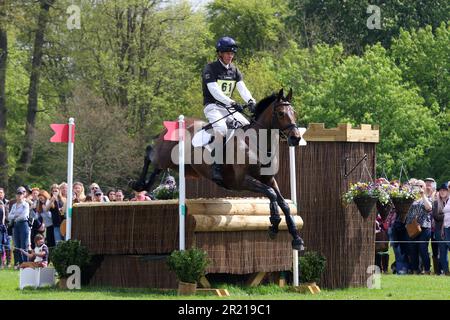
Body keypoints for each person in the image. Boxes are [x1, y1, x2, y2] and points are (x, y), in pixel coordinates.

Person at [202, 36, 256, 185]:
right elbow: (215, 91)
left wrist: (251, 101)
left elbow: (242, 89)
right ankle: (216, 165)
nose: (230, 56)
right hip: (212, 106)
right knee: (221, 129)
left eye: (232, 53)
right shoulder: (210, 68)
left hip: (228, 108)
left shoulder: (235, 70)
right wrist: (232, 102)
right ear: (220, 53)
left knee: (246, 125)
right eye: (227, 53)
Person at [405, 179, 433, 274]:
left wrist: (422, 195)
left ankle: (427, 269)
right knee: (412, 249)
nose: (420, 187)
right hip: (412, 228)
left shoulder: (426, 198)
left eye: (421, 186)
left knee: (422, 248)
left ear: (425, 188)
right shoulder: (410, 198)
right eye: (417, 186)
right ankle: (415, 270)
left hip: (424, 228)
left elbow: (429, 208)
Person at [8, 186, 31, 268]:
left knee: (24, 245)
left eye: (21, 193)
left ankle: (26, 263)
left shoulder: (26, 204)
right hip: (16, 225)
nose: (19, 195)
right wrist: (16, 215)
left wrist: (15, 216)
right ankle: (21, 264)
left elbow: (24, 216)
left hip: (23, 225)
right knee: (17, 246)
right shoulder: (14, 205)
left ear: (24, 194)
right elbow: (9, 216)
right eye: (18, 193)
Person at [433, 182, 450, 275]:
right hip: (439, 230)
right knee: (443, 252)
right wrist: (447, 215)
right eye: (441, 190)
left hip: (448, 228)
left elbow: (440, 216)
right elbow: (436, 216)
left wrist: (444, 215)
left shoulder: (449, 201)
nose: (442, 192)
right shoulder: (436, 202)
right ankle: (446, 271)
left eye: (444, 190)